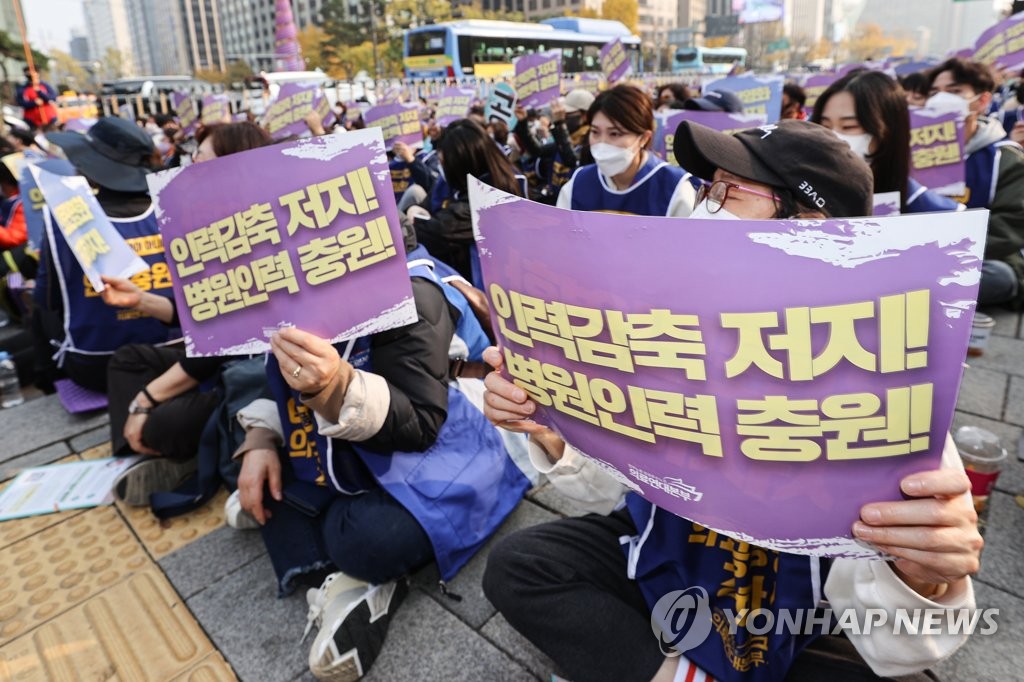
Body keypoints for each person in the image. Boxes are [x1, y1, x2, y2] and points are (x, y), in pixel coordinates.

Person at [481, 120, 981, 682]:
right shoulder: (664, 326)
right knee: (518, 566)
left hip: (800, 612)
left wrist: (923, 578)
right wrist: (554, 429)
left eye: (728, 190)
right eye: (705, 187)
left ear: (808, 225)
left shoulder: (884, 381)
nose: (705, 207)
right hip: (667, 553)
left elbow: (902, 638)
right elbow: (616, 486)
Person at [234, 223, 529, 680]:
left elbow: (421, 426)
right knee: (235, 432)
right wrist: (259, 439)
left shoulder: (410, 292)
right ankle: (315, 523)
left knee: (368, 539)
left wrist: (336, 387)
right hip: (365, 444)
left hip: (460, 449)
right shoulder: (297, 285)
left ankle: (354, 569)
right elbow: (273, 376)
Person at [102, 122, 272, 505]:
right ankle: (148, 454)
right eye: (192, 156)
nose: (188, 166)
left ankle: (166, 446)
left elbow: (218, 346)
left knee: (163, 416)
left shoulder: (258, 231)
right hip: (216, 358)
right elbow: (202, 313)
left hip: (252, 374)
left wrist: (146, 400)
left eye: (201, 159)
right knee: (128, 361)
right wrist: (141, 300)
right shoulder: (207, 222)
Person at [33, 117, 174, 393]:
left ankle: (44, 379)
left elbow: (48, 300)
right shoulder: (174, 209)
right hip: (177, 356)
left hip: (95, 365)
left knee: (38, 312)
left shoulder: (63, 219)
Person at [927, 57, 1024, 307]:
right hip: (917, 253)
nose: (941, 99)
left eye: (954, 91)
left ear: (981, 101)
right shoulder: (913, 152)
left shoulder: (1006, 159)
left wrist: (948, 251)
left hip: (975, 258)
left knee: (1000, 277)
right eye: (935, 92)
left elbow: (1009, 229)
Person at [811, 69, 963, 213]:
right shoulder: (802, 200)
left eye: (849, 126)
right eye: (825, 126)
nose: (832, 137)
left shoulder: (939, 215)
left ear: (888, 131)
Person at [412, 118, 525, 284]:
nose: (441, 164)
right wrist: (414, 211)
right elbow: (427, 206)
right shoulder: (455, 183)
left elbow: (439, 232)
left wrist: (412, 221)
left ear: (463, 161)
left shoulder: (496, 194)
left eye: (445, 161)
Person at [557, 84, 697, 217]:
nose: (602, 143)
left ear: (643, 138)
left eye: (614, 134)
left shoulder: (674, 190)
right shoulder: (577, 185)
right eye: (595, 132)